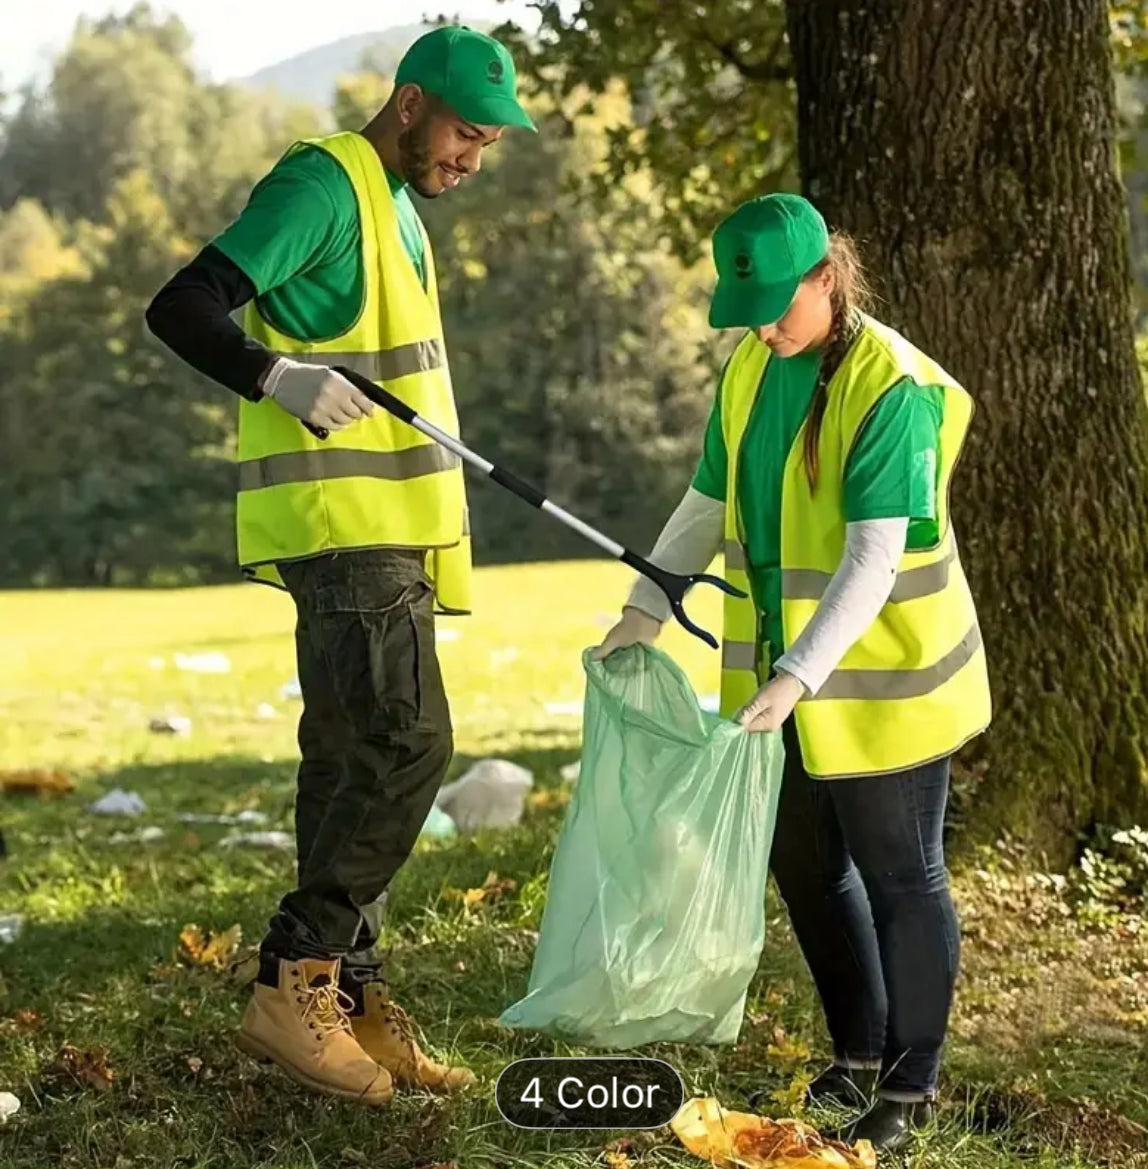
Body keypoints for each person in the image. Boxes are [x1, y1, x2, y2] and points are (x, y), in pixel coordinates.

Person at [145, 25, 536, 1106]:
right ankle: (295, 975)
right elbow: (181, 305)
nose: (472, 155)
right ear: (408, 104)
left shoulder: (399, 209)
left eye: (488, 141)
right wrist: (274, 375)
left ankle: (346, 995)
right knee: (412, 744)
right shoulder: (328, 185)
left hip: (384, 529)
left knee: (349, 754)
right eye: (464, 130)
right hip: (343, 527)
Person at [595, 193, 992, 1152]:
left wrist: (802, 672)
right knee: (807, 866)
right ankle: (857, 1052)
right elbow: (707, 496)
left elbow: (872, 557)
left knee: (903, 872)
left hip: (884, 680)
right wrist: (645, 604)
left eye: (782, 304)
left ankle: (912, 1083)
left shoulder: (884, 384)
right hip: (787, 683)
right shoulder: (749, 370)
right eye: (751, 310)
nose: (766, 326)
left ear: (828, 274)